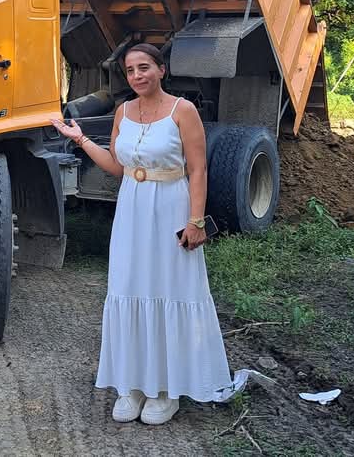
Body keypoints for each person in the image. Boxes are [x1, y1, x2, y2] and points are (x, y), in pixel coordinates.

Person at [51, 43, 240, 425]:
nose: (137, 75)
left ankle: (166, 389)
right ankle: (133, 384)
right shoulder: (123, 111)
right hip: (132, 211)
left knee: (169, 289)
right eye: (130, 70)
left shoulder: (182, 111)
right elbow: (116, 166)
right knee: (130, 286)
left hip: (171, 206)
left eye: (144, 67)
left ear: (161, 69)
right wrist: (80, 139)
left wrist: (196, 221)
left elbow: (198, 170)